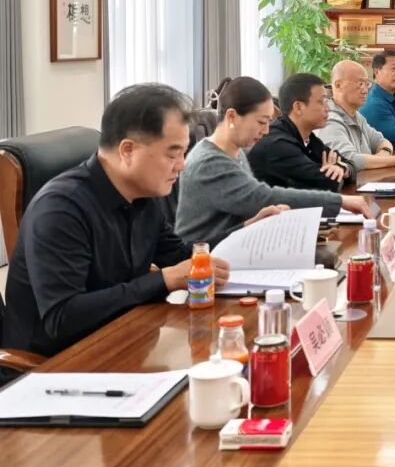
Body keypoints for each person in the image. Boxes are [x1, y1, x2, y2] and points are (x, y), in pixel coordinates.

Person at [2, 84, 235, 357]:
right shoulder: (60, 210)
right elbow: (62, 318)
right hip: (57, 362)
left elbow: (181, 256)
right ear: (127, 150)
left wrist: (246, 230)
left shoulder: (142, 195)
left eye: (184, 152)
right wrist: (163, 280)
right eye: (173, 154)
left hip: (123, 336)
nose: (182, 165)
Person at [177, 77, 373, 245]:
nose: (266, 131)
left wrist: (257, 219)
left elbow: (244, 209)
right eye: (261, 122)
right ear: (232, 116)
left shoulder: (235, 152)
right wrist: (340, 201)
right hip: (202, 261)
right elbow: (262, 197)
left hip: (233, 246)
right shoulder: (210, 161)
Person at [248, 73, 353, 191]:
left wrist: (343, 169)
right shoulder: (278, 144)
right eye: (322, 101)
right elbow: (327, 183)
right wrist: (332, 172)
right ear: (298, 107)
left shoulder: (308, 138)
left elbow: (350, 166)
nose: (328, 108)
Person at [319, 60, 395, 172]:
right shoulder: (328, 120)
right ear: (338, 85)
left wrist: (383, 154)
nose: (365, 90)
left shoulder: (356, 116)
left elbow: (382, 141)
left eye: (367, 84)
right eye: (360, 84)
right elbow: (348, 160)